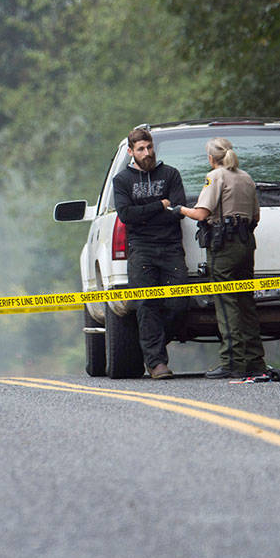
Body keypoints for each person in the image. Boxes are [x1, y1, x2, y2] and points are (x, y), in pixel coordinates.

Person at [173, 137, 266, 379]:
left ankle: (232, 361)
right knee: (246, 301)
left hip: (223, 246)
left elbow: (201, 213)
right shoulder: (246, 177)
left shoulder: (215, 177)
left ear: (212, 158)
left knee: (226, 303)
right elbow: (256, 217)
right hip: (246, 244)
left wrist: (179, 209)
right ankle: (255, 360)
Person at [111, 125, 188, 379]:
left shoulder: (170, 174)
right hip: (141, 250)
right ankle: (156, 363)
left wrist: (149, 211)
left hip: (171, 247)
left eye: (149, 147)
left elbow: (177, 207)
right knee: (146, 304)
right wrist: (160, 205)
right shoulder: (122, 180)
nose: (147, 152)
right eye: (141, 149)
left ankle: (148, 344)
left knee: (179, 303)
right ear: (132, 152)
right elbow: (126, 215)